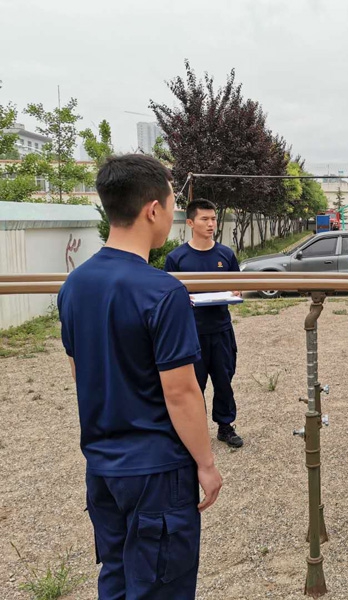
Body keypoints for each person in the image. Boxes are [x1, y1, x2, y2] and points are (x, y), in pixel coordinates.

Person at [57, 154, 223, 599]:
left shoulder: (74, 285)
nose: (174, 214)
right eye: (172, 205)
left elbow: (80, 372)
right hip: (157, 471)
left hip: (103, 467)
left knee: (116, 577)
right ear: (152, 209)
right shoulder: (163, 291)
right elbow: (182, 392)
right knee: (160, 586)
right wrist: (206, 465)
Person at [165, 199, 244, 448]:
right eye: (205, 219)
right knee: (192, 385)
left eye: (213, 219)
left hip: (221, 330)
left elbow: (237, 287)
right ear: (190, 222)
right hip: (191, 333)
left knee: (224, 381)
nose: (211, 224)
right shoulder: (176, 258)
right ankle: (192, 431)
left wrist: (235, 292)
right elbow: (169, 295)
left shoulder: (225, 254)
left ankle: (225, 426)